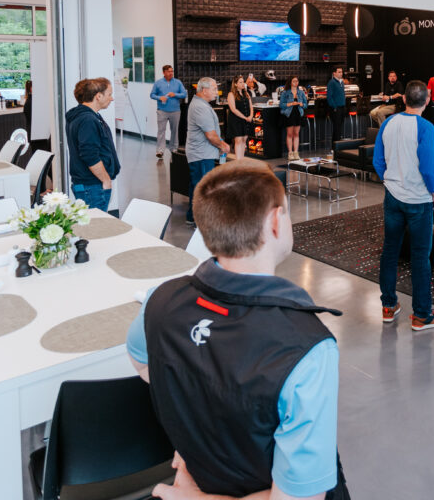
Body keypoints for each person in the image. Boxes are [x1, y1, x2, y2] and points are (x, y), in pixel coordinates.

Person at [127, 164, 348, 500]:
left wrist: (193, 428)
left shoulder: (159, 300)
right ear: (275, 221)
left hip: (201, 475)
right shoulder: (307, 348)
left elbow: (144, 364)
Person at [372, 80, 434, 332]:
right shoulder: (426, 127)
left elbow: (377, 160)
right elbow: (428, 166)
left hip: (392, 197)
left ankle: (388, 306)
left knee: (390, 251)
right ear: (427, 101)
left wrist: (389, 179)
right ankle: (422, 315)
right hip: (418, 201)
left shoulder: (388, 122)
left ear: (403, 99)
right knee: (419, 257)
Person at [64, 77, 121, 212]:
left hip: (88, 185)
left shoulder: (86, 116)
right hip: (92, 186)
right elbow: (90, 155)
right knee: (95, 228)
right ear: (98, 96)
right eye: (109, 94)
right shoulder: (87, 119)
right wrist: (106, 180)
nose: (111, 98)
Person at [185, 77, 230, 225]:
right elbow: (210, 135)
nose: (217, 92)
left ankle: (192, 217)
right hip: (201, 154)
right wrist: (223, 145)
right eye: (214, 89)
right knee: (204, 187)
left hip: (200, 153)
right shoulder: (200, 107)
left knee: (197, 185)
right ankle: (202, 220)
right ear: (204, 90)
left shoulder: (201, 104)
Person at [150, 65, 187, 159]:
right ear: (164, 73)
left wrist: (175, 94)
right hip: (162, 111)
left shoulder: (178, 83)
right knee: (161, 131)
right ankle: (160, 150)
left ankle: (174, 149)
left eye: (172, 71)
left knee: (174, 131)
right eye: (169, 71)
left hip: (175, 111)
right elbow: (152, 95)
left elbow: (184, 94)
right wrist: (160, 97)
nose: (171, 73)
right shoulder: (158, 83)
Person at [224, 74, 255, 160]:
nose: (242, 84)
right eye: (240, 82)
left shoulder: (246, 93)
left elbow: (251, 106)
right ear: (235, 84)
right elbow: (233, 109)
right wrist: (245, 117)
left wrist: (251, 116)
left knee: (244, 140)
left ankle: (241, 159)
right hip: (236, 120)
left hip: (247, 119)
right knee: (238, 140)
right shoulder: (231, 94)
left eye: (243, 82)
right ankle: (238, 161)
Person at [279, 77, 308, 160]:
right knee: (289, 134)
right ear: (290, 82)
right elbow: (281, 105)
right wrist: (291, 103)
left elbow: (306, 105)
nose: (296, 82)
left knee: (296, 134)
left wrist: (302, 104)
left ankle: (296, 152)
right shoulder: (285, 93)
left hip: (298, 113)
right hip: (289, 114)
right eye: (294, 81)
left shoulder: (301, 92)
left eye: (297, 81)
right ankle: (290, 153)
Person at [326, 66, 347, 145]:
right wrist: (334, 107)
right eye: (339, 72)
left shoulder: (341, 82)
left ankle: (338, 146)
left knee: (339, 128)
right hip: (336, 108)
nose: (341, 73)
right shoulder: (331, 82)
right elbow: (329, 97)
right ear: (334, 73)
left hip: (342, 107)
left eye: (341, 72)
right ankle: (335, 147)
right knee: (336, 128)